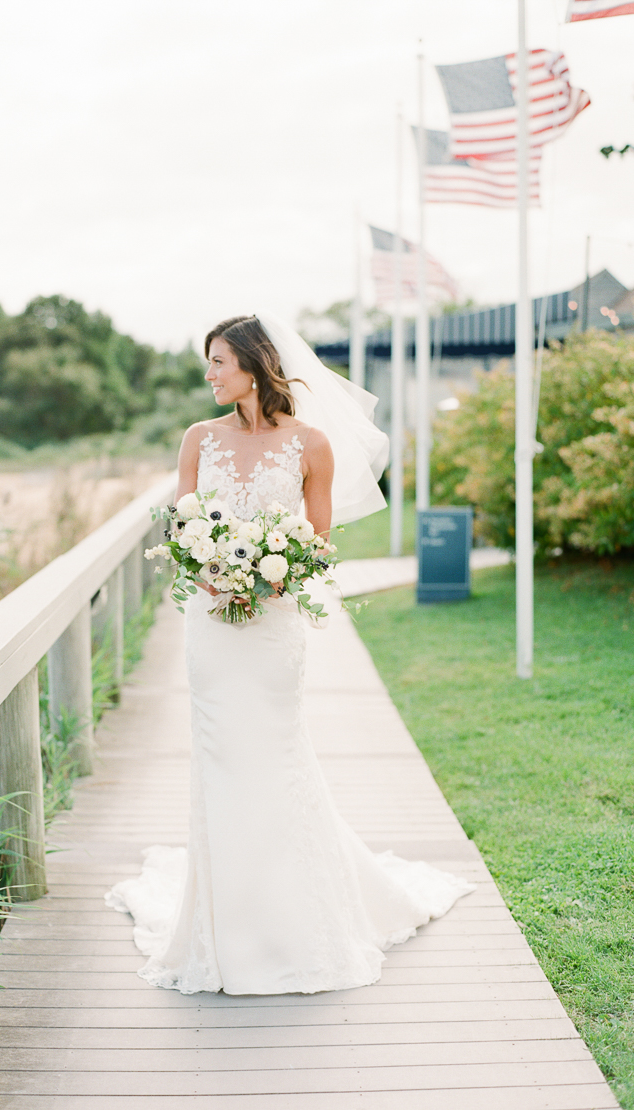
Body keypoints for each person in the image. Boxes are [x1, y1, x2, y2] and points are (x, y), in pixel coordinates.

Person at [106, 313, 473, 995]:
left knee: (275, 753)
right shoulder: (198, 439)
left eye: (218, 362)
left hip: (274, 627)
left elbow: (320, 540)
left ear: (253, 364)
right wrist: (212, 573)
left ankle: (294, 920)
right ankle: (223, 927)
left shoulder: (311, 444)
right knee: (219, 757)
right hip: (211, 624)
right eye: (207, 363)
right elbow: (183, 528)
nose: (209, 375)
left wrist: (274, 576)